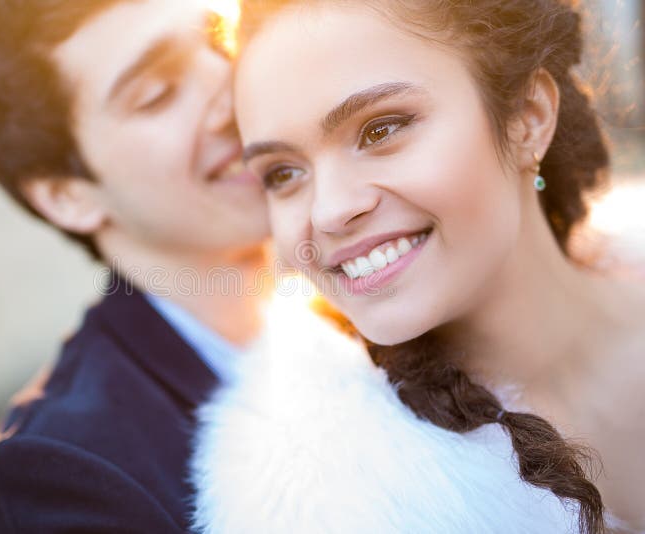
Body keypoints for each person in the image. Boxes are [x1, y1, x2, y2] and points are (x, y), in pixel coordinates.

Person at [189, 1, 645, 533]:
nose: (329, 211)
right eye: (283, 172)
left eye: (380, 130)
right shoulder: (327, 504)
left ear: (528, 118)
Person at [0, 0, 269, 532]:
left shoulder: (391, 294)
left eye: (220, 43)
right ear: (65, 197)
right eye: (157, 94)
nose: (234, 93)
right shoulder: (63, 469)